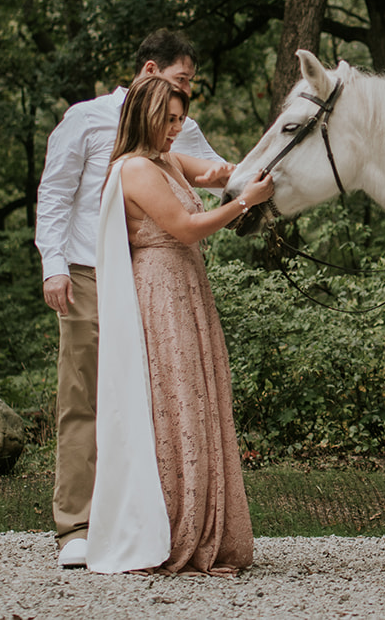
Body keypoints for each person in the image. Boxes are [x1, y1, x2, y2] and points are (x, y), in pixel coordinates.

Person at [35, 30, 231, 569]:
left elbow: (212, 178)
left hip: (152, 275)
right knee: (86, 395)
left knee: (150, 399)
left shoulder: (180, 125)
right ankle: (75, 527)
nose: (186, 100)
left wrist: (235, 180)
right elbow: (55, 193)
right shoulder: (86, 118)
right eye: (183, 81)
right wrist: (54, 266)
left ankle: (152, 517)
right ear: (151, 70)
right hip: (90, 271)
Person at [83, 74, 274, 575]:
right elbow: (187, 228)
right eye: (168, 119)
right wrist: (244, 204)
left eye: (180, 119)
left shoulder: (165, 159)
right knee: (176, 400)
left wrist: (246, 171)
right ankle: (174, 530)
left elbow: (211, 172)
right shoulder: (134, 170)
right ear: (144, 114)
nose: (176, 128)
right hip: (160, 294)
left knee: (200, 397)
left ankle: (208, 525)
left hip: (186, 289)